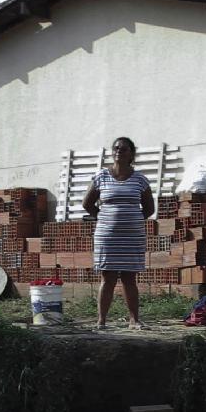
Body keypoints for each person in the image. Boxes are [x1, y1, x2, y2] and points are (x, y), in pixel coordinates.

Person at [82, 136, 155, 329]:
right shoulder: (101, 177)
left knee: (130, 278)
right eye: (115, 148)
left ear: (131, 153)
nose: (118, 152)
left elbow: (149, 208)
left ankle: (134, 320)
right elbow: (87, 203)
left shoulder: (140, 179)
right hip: (107, 236)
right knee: (108, 277)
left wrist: (132, 220)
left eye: (123, 149)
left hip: (132, 237)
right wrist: (104, 217)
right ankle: (101, 320)